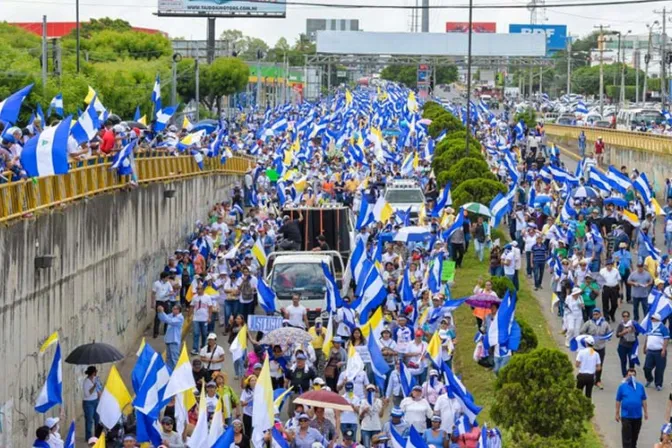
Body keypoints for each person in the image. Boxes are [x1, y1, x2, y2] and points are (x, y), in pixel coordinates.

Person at [615, 368, 648, 448]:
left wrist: (646, 412)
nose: (631, 377)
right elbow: (618, 400)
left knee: (634, 437)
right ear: (626, 376)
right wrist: (617, 413)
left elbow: (643, 399)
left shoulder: (640, 387)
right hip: (626, 416)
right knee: (627, 438)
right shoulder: (622, 387)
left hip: (637, 416)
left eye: (633, 375)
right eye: (630, 375)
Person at [579, 308, 611, 390]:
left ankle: (597, 380)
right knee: (588, 362)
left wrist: (607, 337)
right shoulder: (589, 323)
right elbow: (581, 331)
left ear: (600, 314)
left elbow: (609, 333)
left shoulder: (605, 324)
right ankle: (585, 376)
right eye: (594, 314)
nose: (595, 316)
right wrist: (588, 336)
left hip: (601, 347)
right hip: (590, 348)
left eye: (597, 314)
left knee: (599, 365)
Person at [643, 313, 670, 391]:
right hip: (650, 351)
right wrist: (645, 347)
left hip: (659, 351)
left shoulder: (663, 328)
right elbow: (647, 337)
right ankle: (649, 379)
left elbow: (666, 339)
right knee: (646, 368)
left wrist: (663, 349)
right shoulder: (650, 326)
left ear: (656, 319)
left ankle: (658, 384)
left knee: (659, 369)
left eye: (652, 318)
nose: (651, 320)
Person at [157, 303, 185, 370]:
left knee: (174, 359)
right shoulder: (171, 315)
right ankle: (169, 373)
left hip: (174, 341)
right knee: (168, 359)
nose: (173, 310)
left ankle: (176, 374)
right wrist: (160, 312)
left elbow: (170, 321)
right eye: (173, 308)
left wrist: (162, 312)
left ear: (179, 310)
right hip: (169, 340)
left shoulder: (180, 318)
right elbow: (163, 319)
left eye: (175, 309)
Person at [190, 283, 213, 354]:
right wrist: (190, 316)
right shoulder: (194, 297)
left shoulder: (207, 297)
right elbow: (191, 306)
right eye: (197, 289)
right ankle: (195, 349)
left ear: (203, 289)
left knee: (204, 334)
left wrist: (209, 317)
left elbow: (210, 307)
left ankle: (203, 347)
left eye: (199, 289)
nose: (197, 290)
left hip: (204, 319)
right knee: (196, 333)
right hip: (196, 318)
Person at [152, 271, 176, 338]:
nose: (168, 279)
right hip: (159, 301)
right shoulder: (156, 284)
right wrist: (152, 302)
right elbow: (153, 293)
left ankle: (166, 331)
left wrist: (170, 293)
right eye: (167, 277)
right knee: (157, 317)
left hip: (166, 301)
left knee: (167, 316)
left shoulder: (168, 283)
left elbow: (171, 291)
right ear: (163, 278)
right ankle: (155, 332)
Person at [616, 311, 639, 378]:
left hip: (631, 346)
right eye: (624, 316)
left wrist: (633, 330)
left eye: (627, 316)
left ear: (629, 317)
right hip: (622, 346)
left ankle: (631, 376)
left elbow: (637, 333)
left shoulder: (633, 324)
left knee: (632, 361)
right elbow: (617, 335)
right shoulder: (621, 324)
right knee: (623, 361)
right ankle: (625, 376)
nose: (625, 317)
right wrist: (624, 332)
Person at [82, 366, 102, 440]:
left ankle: (97, 435)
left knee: (97, 418)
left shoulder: (95, 379)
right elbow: (87, 394)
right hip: (88, 403)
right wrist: (94, 386)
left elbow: (99, 389)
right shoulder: (86, 382)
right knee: (89, 420)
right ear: (93, 373)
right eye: (95, 372)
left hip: (95, 401)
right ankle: (88, 437)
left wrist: (100, 398)